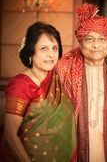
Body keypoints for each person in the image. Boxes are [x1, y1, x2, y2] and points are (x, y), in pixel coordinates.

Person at [57, 3, 107, 162]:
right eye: (89, 39)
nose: (96, 45)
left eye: (102, 39)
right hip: (70, 145)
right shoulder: (64, 70)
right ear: (80, 42)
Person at [3, 22, 76, 162]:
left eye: (55, 48)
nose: (51, 54)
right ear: (31, 51)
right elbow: (9, 137)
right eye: (44, 48)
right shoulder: (21, 85)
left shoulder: (57, 79)